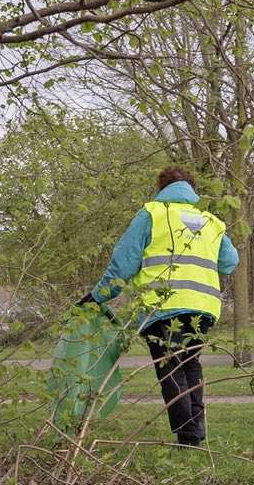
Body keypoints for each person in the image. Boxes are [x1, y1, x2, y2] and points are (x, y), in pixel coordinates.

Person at [91, 166, 240, 446]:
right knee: (190, 366)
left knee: (171, 369)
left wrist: (98, 295)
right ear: (192, 190)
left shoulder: (152, 214)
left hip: (162, 308)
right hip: (202, 308)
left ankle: (189, 435)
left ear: (162, 188)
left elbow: (124, 263)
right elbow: (230, 262)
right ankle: (195, 431)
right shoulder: (211, 222)